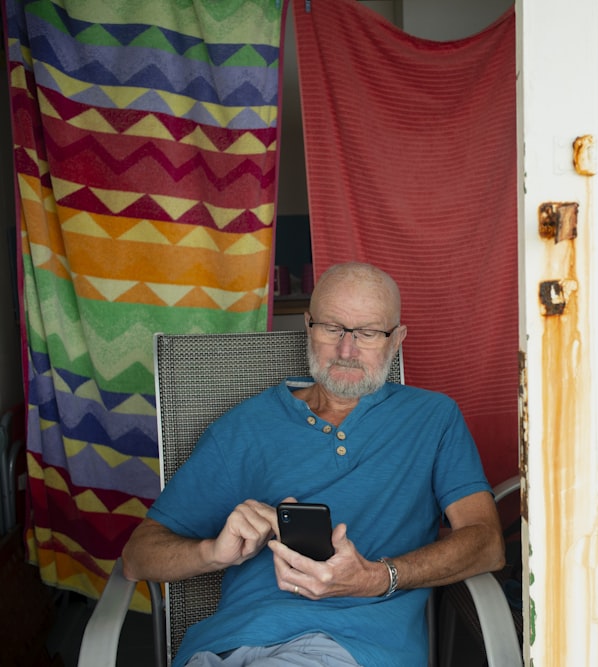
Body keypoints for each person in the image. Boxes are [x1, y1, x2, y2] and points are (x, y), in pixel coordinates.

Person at [122, 262, 505, 667]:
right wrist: (212, 553)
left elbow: (487, 544)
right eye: (332, 328)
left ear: (397, 340)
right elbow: (136, 556)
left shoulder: (433, 418)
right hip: (226, 648)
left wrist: (376, 577)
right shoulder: (243, 426)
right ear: (308, 326)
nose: (346, 350)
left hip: (355, 648)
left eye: (368, 333)